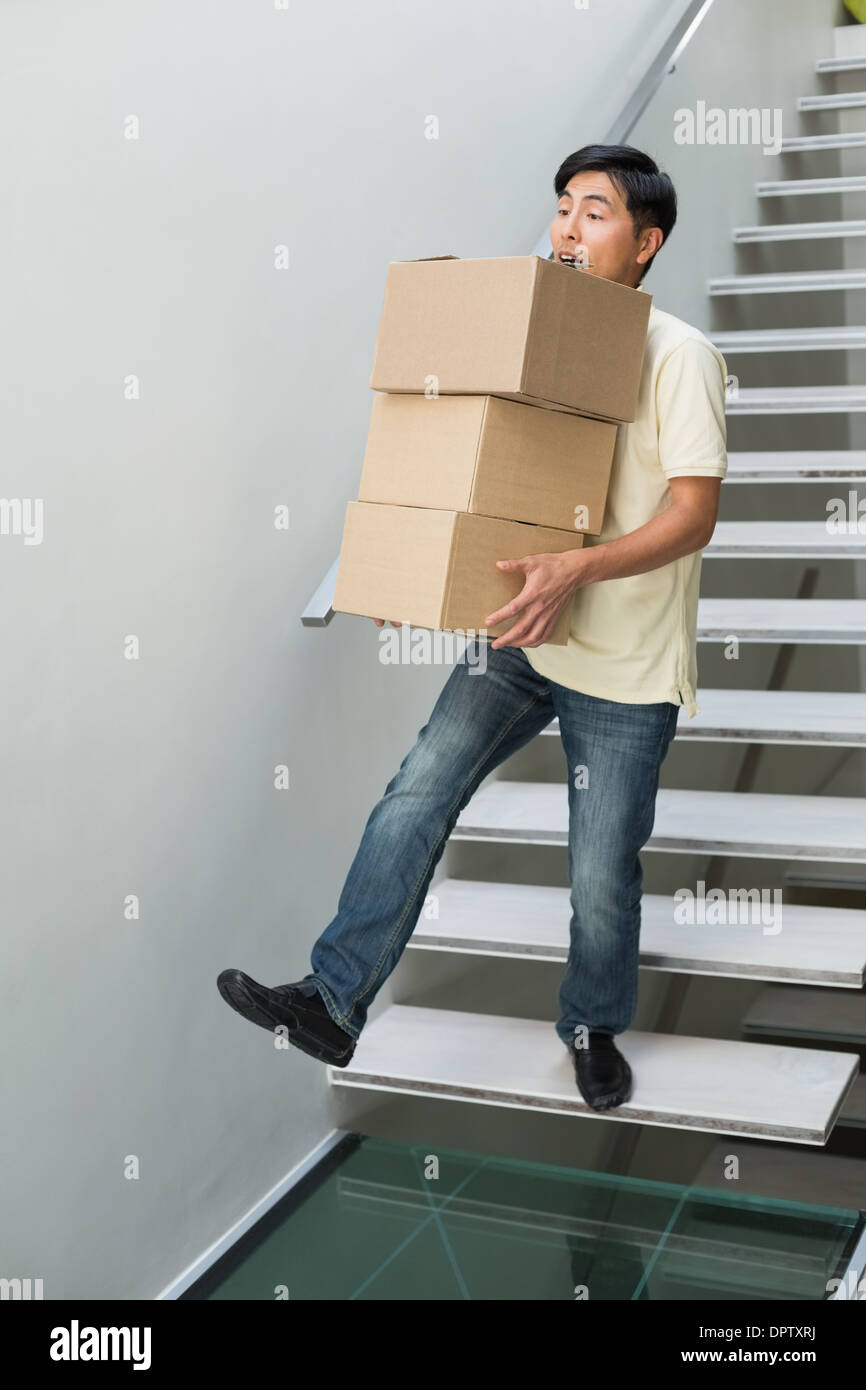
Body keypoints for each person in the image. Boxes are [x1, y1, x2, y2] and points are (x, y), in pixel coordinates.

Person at [217, 144, 728, 1111]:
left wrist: (580, 565)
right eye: (563, 208)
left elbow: (693, 514)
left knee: (600, 878)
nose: (569, 228)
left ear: (647, 242)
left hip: (623, 664)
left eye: (597, 213)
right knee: (415, 795)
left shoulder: (681, 356)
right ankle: (334, 996)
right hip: (525, 633)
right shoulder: (540, 333)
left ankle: (590, 1026)